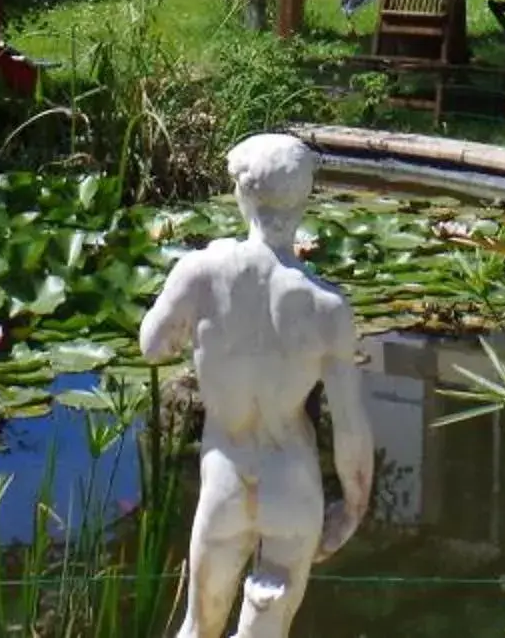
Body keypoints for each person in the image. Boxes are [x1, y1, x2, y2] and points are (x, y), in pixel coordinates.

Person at [139, 134, 375, 638]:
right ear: (305, 198)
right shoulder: (328, 307)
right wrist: (353, 508)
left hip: (226, 479)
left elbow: (154, 346)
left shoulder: (201, 272)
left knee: (199, 628)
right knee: (266, 629)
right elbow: (352, 430)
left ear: (241, 195)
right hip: (292, 484)